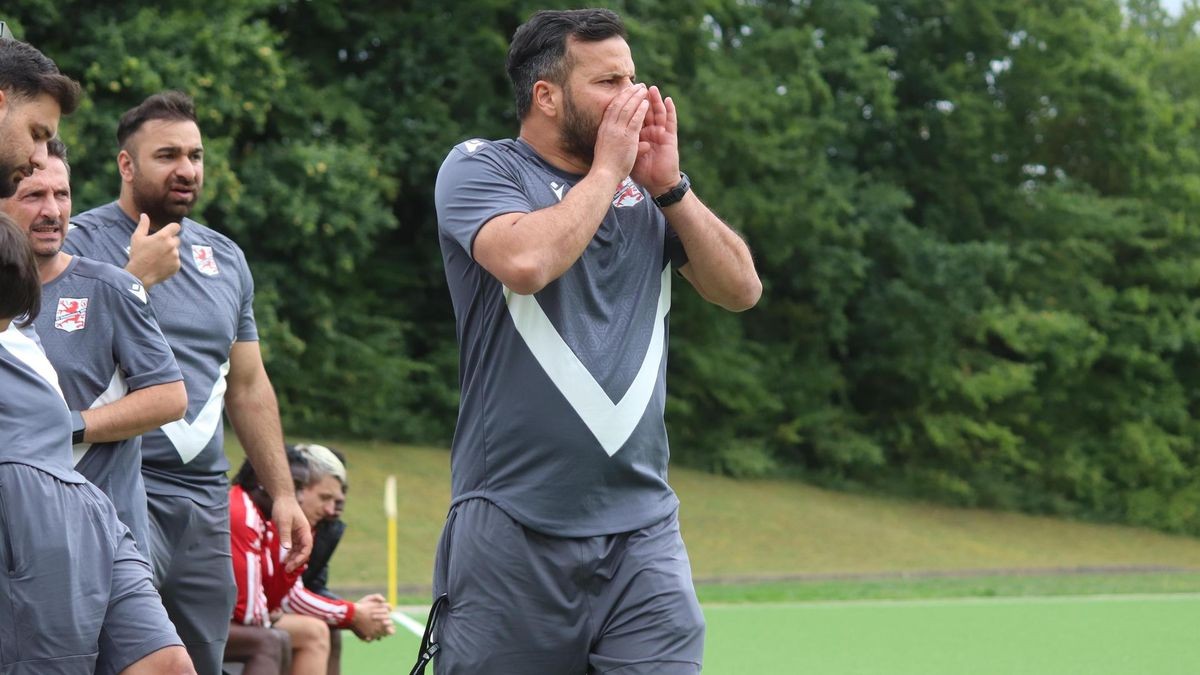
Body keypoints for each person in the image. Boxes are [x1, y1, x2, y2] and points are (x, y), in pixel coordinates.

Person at [429, 8, 762, 674]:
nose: (633, 98)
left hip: (644, 532)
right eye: (609, 82)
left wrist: (669, 186)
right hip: (513, 523)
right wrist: (608, 172)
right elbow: (526, 262)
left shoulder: (650, 195)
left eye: (633, 78)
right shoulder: (481, 167)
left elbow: (740, 289)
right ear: (547, 96)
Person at [66, 90, 312, 675]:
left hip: (205, 502)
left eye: (195, 156)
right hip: (118, 487)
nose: (187, 169)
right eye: (167, 155)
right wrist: (134, 280)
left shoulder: (226, 258)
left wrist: (281, 493)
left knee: (201, 662)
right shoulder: (76, 243)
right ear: (126, 165)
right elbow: (58, 356)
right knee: (120, 657)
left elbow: (248, 386)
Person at [0, 137, 187, 552]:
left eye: (62, 195)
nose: (52, 211)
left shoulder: (111, 287)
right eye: (34, 196)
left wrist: (69, 426)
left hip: (107, 539)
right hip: (18, 540)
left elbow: (169, 397)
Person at [228, 447, 394, 675]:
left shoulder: (280, 522)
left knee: (316, 631)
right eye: (324, 498)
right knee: (291, 637)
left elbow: (295, 590)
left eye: (338, 501)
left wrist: (352, 614)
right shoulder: (249, 516)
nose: (331, 510)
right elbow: (258, 609)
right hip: (202, 620)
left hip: (224, 617)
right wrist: (353, 614)